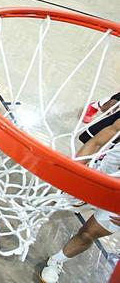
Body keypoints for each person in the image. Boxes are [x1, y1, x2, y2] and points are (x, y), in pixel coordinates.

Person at [40, 108, 119, 283]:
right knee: (54, 201)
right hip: (99, 177)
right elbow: (99, 140)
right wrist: (76, 170)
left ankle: (56, 260)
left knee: (88, 234)